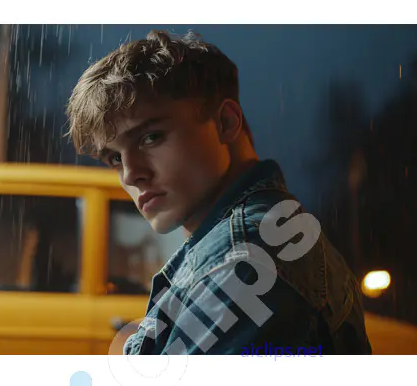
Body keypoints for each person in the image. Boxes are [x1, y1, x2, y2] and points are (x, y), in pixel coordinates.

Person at [65, 30, 372, 355]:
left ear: (225, 122)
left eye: (150, 137)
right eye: (114, 158)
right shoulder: (267, 236)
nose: (130, 174)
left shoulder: (243, 263)